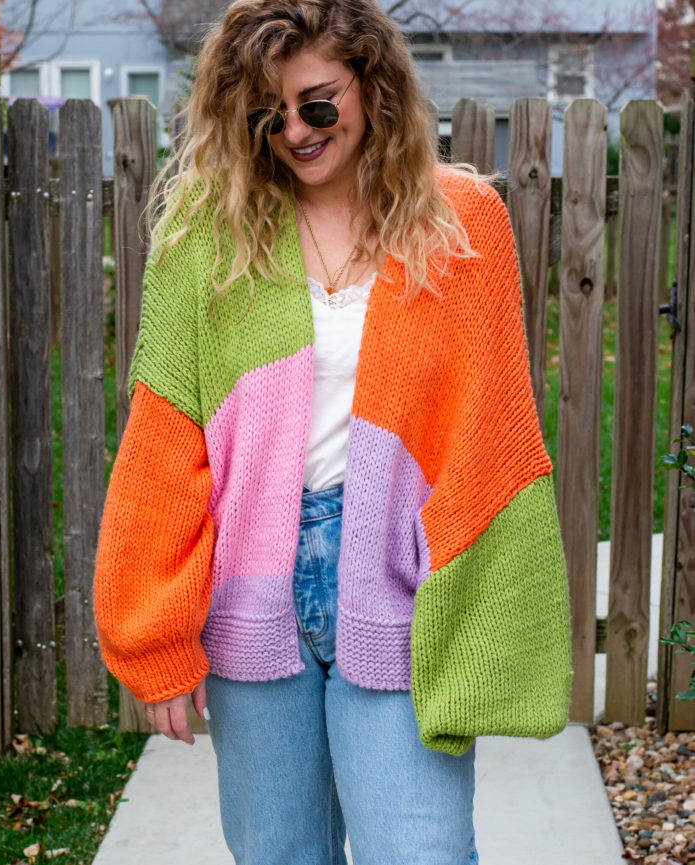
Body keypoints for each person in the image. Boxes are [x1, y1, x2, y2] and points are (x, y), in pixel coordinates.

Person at [93, 1, 572, 863]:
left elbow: (492, 439)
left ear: (372, 82)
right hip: (251, 584)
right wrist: (152, 635)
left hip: (397, 577)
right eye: (265, 114)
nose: (296, 132)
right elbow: (164, 446)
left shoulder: (461, 224)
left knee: (419, 851)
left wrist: (481, 618)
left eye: (317, 102)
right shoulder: (204, 241)